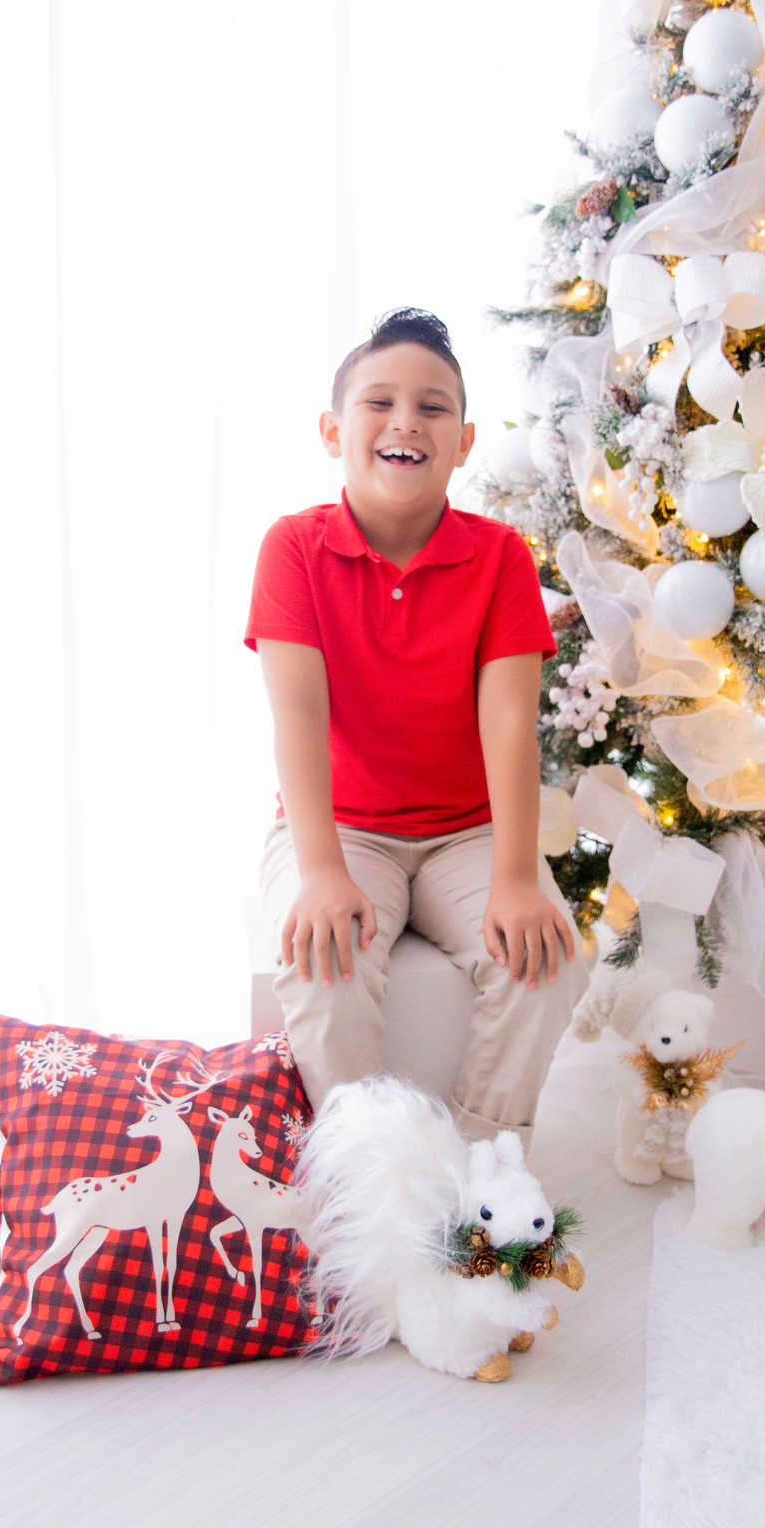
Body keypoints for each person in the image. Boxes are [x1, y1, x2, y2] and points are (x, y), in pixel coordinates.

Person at [245, 308, 587, 1145]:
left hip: (464, 834)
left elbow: (511, 724)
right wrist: (322, 869)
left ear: (465, 441)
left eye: (433, 407)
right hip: (343, 829)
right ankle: (365, 1178)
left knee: (546, 955)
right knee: (323, 962)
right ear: (334, 430)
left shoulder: (500, 555)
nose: (407, 421)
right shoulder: (293, 547)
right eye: (380, 403)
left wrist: (515, 878)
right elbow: (298, 716)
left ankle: (479, 1175)